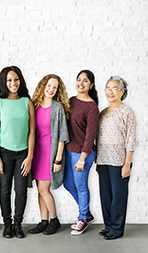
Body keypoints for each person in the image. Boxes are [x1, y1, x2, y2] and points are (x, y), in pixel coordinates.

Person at [0, 66, 35, 239]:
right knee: (4, 190)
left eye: (16, 79)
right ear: (4, 82)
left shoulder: (27, 102)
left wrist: (30, 156)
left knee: (21, 190)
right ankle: (7, 225)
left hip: (23, 153)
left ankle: (18, 225)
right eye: (9, 80)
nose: (13, 83)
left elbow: (32, 131)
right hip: (4, 153)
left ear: (20, 80)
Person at [28, 74, 70, 235]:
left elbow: (62, 137)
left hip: (50, 154)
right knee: (40, 189)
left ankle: (54, 220)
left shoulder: (57, 108)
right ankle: (43, 221)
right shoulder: (35, 105)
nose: (51, 89)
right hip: (37, 152)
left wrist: (58, 159)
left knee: (44, 189)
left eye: (55, 87)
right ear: (43, 86)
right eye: (49, 85)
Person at [96, 76, 136, 240]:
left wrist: (127, 164)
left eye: (114, 88)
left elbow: (131, 139)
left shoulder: (126, 112)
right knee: (105, 195)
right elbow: (98, 137)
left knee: (118, 196)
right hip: (103, 160)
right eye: (107, 88)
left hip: (119, 161)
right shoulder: (102, 113)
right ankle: (109, 225)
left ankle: (117, 229)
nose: (110, 92)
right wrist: (97, 160)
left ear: (122, 91)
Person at [63, 69, 100, 235]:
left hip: (83, 153)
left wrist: (83, 159)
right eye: (79, 79)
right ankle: (86, 213)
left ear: (91, 85)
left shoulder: (92, 107)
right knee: (67, 183)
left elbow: (90, 135)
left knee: (81, 186)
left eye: (85, 81)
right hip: (69, 151)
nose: (81, 83)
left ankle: (82, 218)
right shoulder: (71, 100)